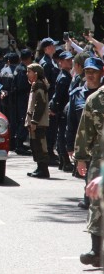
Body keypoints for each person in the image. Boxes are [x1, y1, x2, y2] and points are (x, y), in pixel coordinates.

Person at [73, 63, 104, 268]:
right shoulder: (95, 99)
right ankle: (96, 251)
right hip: (100, 159)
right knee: (96, 203)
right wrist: (81, 157)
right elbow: (85, 130)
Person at [68, 56, 101, 210]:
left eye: (94, 71)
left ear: (101, 73)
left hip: (99, 146)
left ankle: (90, 201)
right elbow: (71, 122)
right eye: (87, 71)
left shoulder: (101, 95)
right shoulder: (76, 94)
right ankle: (88, 199)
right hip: (83, 142)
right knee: (86, 175)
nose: (90, 75)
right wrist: (69, 146)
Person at [24, 63, 51, 179]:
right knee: (35, 144)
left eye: (29, 72)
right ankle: (39, 167)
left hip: (38, 122)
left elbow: (40, 103)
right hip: (35, 122)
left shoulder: (39, 85)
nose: (27, 74)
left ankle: (43, 169)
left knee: (40, 144)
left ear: (36, 73)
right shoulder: (35, 84)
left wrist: (34, 121)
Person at [50, 50, 73, 171]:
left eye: (70, 60)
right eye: (67, 60)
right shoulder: (64, 77)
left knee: (62, 134)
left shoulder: (65, 75)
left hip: (63, 109)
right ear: (61, 62)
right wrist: (53, 108)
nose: (70, 62)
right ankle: (65, 162)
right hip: (62, 110)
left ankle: (63, 161)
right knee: (63, 135)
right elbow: (58, 96)